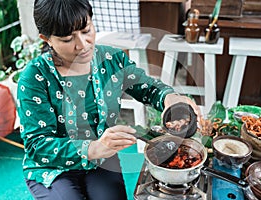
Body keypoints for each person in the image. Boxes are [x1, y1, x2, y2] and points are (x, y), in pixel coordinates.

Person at [16, 0, 200, 199]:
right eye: (68, 39)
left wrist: (169, 97)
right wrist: (92, 148)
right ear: (47, 39)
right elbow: (37, 145)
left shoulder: (112, 60)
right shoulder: (34, 77)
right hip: (52, 168)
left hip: (102, 160)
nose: (82, 45)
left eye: (86, 30)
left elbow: (148, 88)